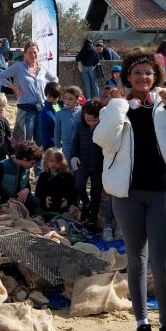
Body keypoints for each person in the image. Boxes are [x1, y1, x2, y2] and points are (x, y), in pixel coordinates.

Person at [94, 48, 166, 331]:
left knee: (162, 265)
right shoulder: (117, 106)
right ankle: (142, 323)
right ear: (127, 77)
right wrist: (119, 105)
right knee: (136, 259)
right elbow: (103, 140)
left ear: (157, 76)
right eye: (137, 72)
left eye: (148, 72)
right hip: (128, 194)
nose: (143, 77)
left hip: (162, 191)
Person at [0, 41, 59, 145]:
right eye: (30, 52)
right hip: (25, 109)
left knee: (40, 140)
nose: (33, 55)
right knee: (25, 141)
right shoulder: (18, 67)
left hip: (41, 108)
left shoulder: (42, 68)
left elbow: (55, 79)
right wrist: (14, 87)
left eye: (35, 52)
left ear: (38, 53)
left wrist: (49, 92)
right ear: (24, 54)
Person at [70, 100, 105, 234]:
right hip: (82, 162)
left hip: (98, 166)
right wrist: (73, 156)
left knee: (96, 194)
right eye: (88, 120)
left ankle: (92, 221)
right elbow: (75, 142)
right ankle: (86, 203)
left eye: (94, 120)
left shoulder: (104, 127)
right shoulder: (80, 125)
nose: (91, 123)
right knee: (79, 185)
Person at [0, 140, 42, 213]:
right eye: (32, 163)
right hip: (3, 199)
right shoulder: (3, 165)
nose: (33, 166)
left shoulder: (26, 169)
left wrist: (27, 190)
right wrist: (7, 199)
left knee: (35, 202)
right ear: (24, 159)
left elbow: (26, 184)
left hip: (18, 200)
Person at [35, 148, 76, 220]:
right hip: (47, 208)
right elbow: (38, 193)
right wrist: (44, 199)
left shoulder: (67, 177)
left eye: (57, 162)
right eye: (51, 161)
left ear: (62, 163)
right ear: (46, 161)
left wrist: (68, 200)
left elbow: (73, 192)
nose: (54, 164)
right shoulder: (43, 176)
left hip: (62, 208)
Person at [54, 86, 82, 161]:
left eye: (71, 99)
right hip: (66, 147)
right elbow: (57, 133)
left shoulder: (82, 112)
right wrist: (57, 149)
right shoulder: (59, 113)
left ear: (77, 99)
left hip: (80, 146)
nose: (67, 101)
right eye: (65, 98)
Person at [37, 81, 62, 150]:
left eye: (55, 96)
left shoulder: (62, 106)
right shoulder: (45, 112)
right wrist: (54, 146)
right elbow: (45, 133)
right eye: (50, 96)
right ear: (46, 95)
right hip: (52, 146)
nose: (52, 99)